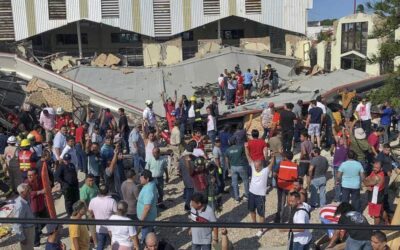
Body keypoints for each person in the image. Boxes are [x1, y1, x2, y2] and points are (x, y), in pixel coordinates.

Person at [245, 145, 270, 237]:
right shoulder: (252, 166)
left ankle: (261, 228)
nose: (256, 168)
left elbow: (271, 164)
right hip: (251, 193)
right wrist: (246, 148)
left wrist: (274, 156)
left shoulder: (265, 171)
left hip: (260, 195)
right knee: (251, 210)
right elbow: (248, 156)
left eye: (257, 167)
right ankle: (254, 223)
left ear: (261, 166)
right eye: (255, 167)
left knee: (261, 213)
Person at [88, 184, 117, 250]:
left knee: (100, 245)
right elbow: (116, 214)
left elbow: (90, 212)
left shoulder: (93, 200)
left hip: (99, 228)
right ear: (108, 191)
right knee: (113, 245)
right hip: (111, 229)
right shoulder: (112, 201)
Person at [25, 168, 48, 247]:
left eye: (31, 175)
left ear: (36, 175)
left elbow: (45, 186)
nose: (29, 177)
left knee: (46, 220)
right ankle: (36, 243)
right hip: (33, 208)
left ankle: (39, 231)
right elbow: (29, 193)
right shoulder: (26, 183)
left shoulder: (39, 180)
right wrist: (40, 192)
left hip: (41, 206)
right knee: (36, 226)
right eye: (28, 175)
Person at [275, 151, 298, 222]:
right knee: (291, 202)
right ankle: (290, 220)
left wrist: (277, 180)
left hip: (281, 185)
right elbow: (297, 177)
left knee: (281, 203)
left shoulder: (281, 164)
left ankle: (279, 219)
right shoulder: (295, 165)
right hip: (291, 187)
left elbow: (275, 173)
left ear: (285, 157)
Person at [225, 137, 249, 203]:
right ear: (235, 141)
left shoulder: (228, 150)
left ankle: (237, 198)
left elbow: (227, 161)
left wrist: (228, 169)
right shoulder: (240, 147)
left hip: (233, 167)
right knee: (245, 181)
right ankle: (247, 196)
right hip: (241, 166)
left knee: (234, 183)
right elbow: (245, 155)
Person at [137, 169, 158, 243]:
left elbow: (147, 207)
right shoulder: (150, 184)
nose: (140, 178)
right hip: (150, 217)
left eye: (142, 177)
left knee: (145, 238)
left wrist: (141, 222)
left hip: (146, 219)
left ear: (147, 179)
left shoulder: (148, 190)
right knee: (151, 231)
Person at [363, 160, 387, 225]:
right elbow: (368, 179)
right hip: (378, 194)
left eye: (377, 168)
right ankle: (387, 222)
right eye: (374, 167)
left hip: (375, 196)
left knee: (376, 215)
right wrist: (368, 183)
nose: (374, 169)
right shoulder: (375, 172)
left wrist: (365, 181)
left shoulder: (377, 176)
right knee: (381, 210)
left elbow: (365, 182)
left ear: (381, 168)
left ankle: (375, 229)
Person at [13, 183, 35, 250]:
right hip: (26, 231)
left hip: (29, 229)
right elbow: (17, 223)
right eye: (28, 190)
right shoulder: (20, 205)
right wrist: (22, 238)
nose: (30, 191)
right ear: (22, 193)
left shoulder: (25, 201)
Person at [332, 136, 348, 202]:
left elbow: (345, 143)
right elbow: (335, 136)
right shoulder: (337, 145)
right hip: (335, 166)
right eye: (340, 139)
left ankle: (338, 198)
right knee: (338, 182)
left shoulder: (345, 147)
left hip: (341, 167)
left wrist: (344, 133)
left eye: (342, 139)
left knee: (338, 182)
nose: (340, 140)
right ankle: (339, 196)